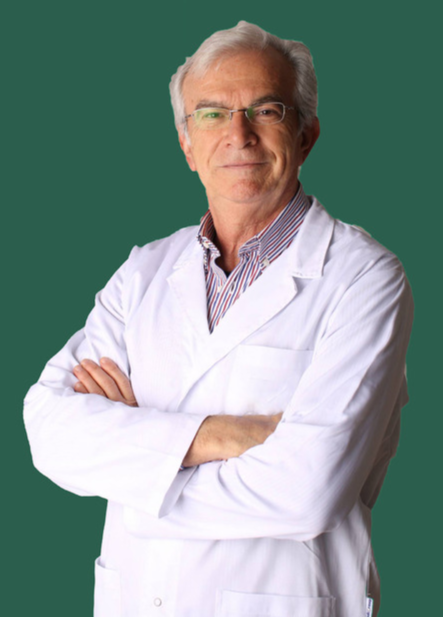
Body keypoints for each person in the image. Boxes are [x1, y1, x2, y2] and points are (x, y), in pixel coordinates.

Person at [23, 21, 413, 617]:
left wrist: (135, 472)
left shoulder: (364, 278)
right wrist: (222, 436)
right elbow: (48, 429)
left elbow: (308, 491)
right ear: (187, 145)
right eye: (211, 114)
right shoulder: (144, 272)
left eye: (266, 110)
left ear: (306, 134)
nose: (238, 134)